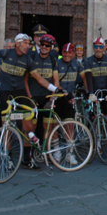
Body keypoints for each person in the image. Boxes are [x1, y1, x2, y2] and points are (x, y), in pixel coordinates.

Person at [0, 33, 59, 169]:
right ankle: (7, 157)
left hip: (20, 93)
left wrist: (55, 89)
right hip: (6, 93)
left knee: (28, 127)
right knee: (6, 127)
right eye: (25, 43)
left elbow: (39, 79)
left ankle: (26, 158)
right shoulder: (5, 53)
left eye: (29, 43)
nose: (28, 46)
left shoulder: (28, 60)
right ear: (17, 43)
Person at [23, 34, 60, 169]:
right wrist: (29, 96)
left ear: (51, 48)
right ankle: (28, 155)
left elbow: (55, 79)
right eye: (42, 44)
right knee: (30, 127)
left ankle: (46, 153)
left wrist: (52, 97)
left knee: (47, 127)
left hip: (46, 97)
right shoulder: (32, 58)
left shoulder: (53, 59)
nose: (44, 47)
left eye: (47, 46)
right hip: (33, 96)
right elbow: (25, 79)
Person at [84, 37, 107, 159]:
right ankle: (97, 146)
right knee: (97, 121)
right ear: (93, 47)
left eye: (100, 46)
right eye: (96, 46)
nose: (98, 49)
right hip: (95, 93)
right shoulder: (88, 60)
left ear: (104, 47)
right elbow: (88, 78)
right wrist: (91, 93)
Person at [54, 43, 86, 166]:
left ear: (73, 53)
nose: (67, 55)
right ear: (62, 53)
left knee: (70, 124)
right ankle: (57, 151)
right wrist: (65, 93)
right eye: (65, 52)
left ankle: (70, 153)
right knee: (55, 125)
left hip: (70, 98)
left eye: (69, 52)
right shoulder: (57, 63)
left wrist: (88, 90)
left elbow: (84, 77)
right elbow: (55, 82)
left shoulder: (77, 64)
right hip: (59, 97)